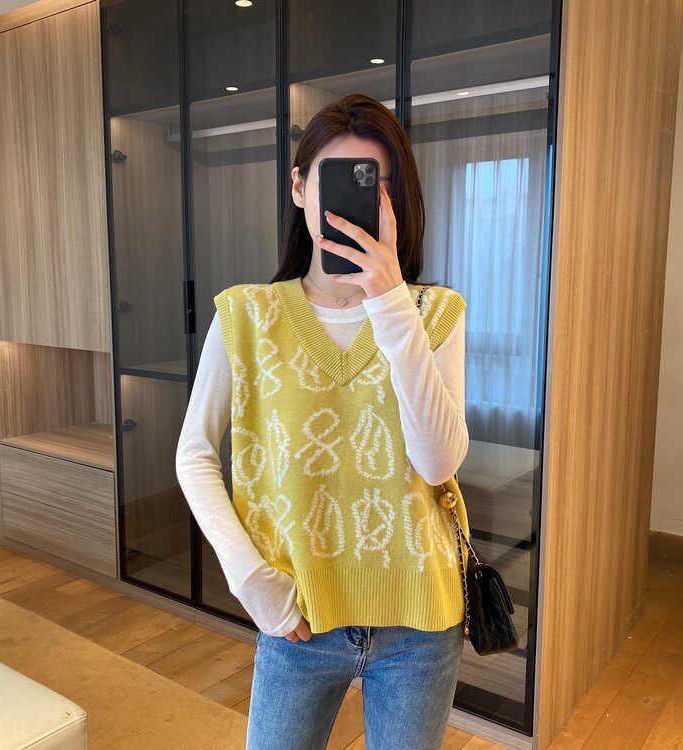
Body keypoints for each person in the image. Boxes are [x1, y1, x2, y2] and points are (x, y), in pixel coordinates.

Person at [175, 93, 470, 750]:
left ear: (397, 201)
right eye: (339, 180)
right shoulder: (245, 316)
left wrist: (390, 303)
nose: (356, 203)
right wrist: (250, 579)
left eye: (377, 184)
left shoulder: (434, 313)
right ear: (299, 188)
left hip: (420, 624)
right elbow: (194, 452)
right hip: (296, 614)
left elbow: (438, 463)